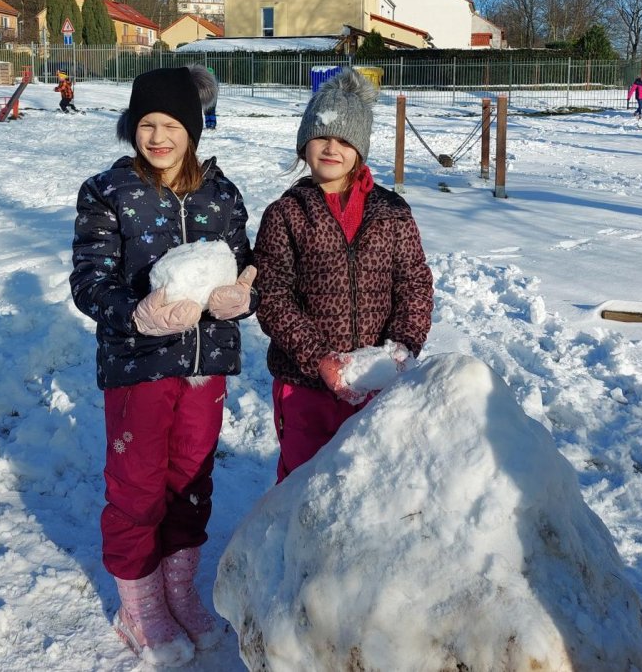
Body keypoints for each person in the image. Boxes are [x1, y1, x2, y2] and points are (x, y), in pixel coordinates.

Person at [70, 65, 256, 667]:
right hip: (139, 364)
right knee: (139, 484)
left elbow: (246, 264)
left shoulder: (222, 195)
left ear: (192, 131)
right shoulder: (108, 192)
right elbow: (89, 280)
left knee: (191, 481)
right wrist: (136, 314)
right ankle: (140, 602)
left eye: (172, 124)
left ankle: (178, 589)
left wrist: (243, 294)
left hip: (205, 364)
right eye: (146, 123)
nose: (158, 137)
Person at [253, 68, 434, 482]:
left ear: (360, 148)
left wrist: (401, 349)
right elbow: (273, 295)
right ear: (304, 143)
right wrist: (320, 359)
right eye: (321, 136)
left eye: (345, 139)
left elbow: (414, 283)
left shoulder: (392, 212)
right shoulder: (286, 214)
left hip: (376, 381)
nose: (332, 147)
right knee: (303, 482)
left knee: (368, 482)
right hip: (304, 385)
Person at [203, 65, 218, 129]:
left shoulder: (214, 80)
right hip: (205, 98)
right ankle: (208, 123)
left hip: (212, 98)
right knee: (206, 111)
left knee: (211, 111)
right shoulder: (204, 79)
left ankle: (212, 124)